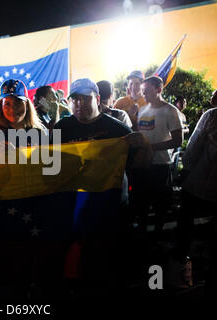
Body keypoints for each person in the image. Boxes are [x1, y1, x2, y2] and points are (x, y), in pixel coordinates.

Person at [52, 78, 151, 293]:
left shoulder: (117, 129)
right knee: (78, 256)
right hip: (75, 204)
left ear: (97, 99)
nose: (79, 104)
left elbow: (140, 164)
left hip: (109, 204)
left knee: (106, 256)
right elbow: (48, 166)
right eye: (74, 99)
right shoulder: (60, 128)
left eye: (85, 99)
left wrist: (144, 146)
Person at [178, 71, 217, 297]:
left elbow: (190, 155)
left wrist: (184, 173)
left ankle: (182, 266)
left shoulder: (214, 116)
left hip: (202, 188)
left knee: (185, 226)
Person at [133, 76, 183, 235]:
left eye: (146, 91)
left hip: (161, 165)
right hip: (142, 165)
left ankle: (158, 234)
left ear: (159, 90)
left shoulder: (170, 111)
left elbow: (178, 141)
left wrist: (152, 147)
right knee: (141, 203)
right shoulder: (142, 110)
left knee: (161, 204)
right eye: (142, 91)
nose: (143, 94)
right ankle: (142, 233)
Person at [0, 79, 46, 151]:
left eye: (18, 102)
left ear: (27, 105)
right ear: (1, 107)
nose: (12, 109)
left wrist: (16, 155)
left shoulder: (39, 134)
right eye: (7, 104)